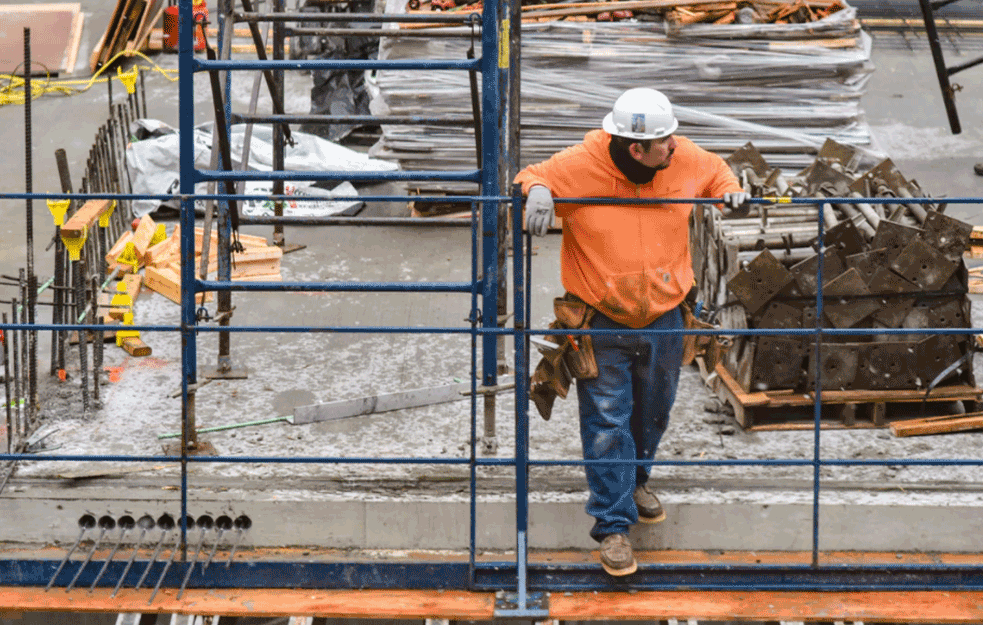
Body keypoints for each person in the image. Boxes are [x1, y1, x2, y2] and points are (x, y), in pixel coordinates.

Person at [514, 87, 747, 577]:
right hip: (600, 318)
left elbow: (716, 171)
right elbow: (534, 175)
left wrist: (731, 191)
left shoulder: (681, 159)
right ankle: (613, 526)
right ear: (634, 148)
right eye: (663, 141)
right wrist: (535, 191)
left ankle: (636, 481)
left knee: (654, 411)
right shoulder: (583, 163)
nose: (675, 145)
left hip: (665, 313)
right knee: (607, 421)